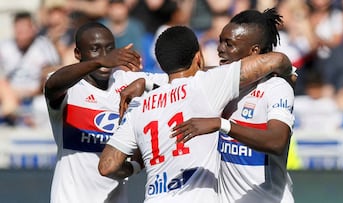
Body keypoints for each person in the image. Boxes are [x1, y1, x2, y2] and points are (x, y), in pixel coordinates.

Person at [98, 25, 292, 203]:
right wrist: (289, 72)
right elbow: (276, 60)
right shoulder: (206, 85)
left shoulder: (140, 105)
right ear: (198, 57)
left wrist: (135, 167)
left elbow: (107, 166)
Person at [170, 8, 296, 202]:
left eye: (229, 44)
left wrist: (222, 125)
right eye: (220, 41)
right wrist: (146, 82)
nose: (220, 49)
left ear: (254, 51)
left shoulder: (276, 87)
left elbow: (277, 142)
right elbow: (184, 80)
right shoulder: (220, 86)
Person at [44, 22, 166, 203]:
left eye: (109, 49)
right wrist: (99, 62)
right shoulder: (70, 88)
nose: (104, 55)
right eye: (95, 49)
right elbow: (52, 85)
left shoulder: (129, 82)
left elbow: (183, 80)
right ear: (78, 54)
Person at [0, 11, 60, 127]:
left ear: (33, 29)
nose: (21, 34)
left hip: (35, 94)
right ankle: (12, 112)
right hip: (9, 92)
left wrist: (37, 87)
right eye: (18, 30)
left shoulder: (43, 46)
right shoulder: (5, 46)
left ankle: (14, 114)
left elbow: (54, 71)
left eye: (24, 30)